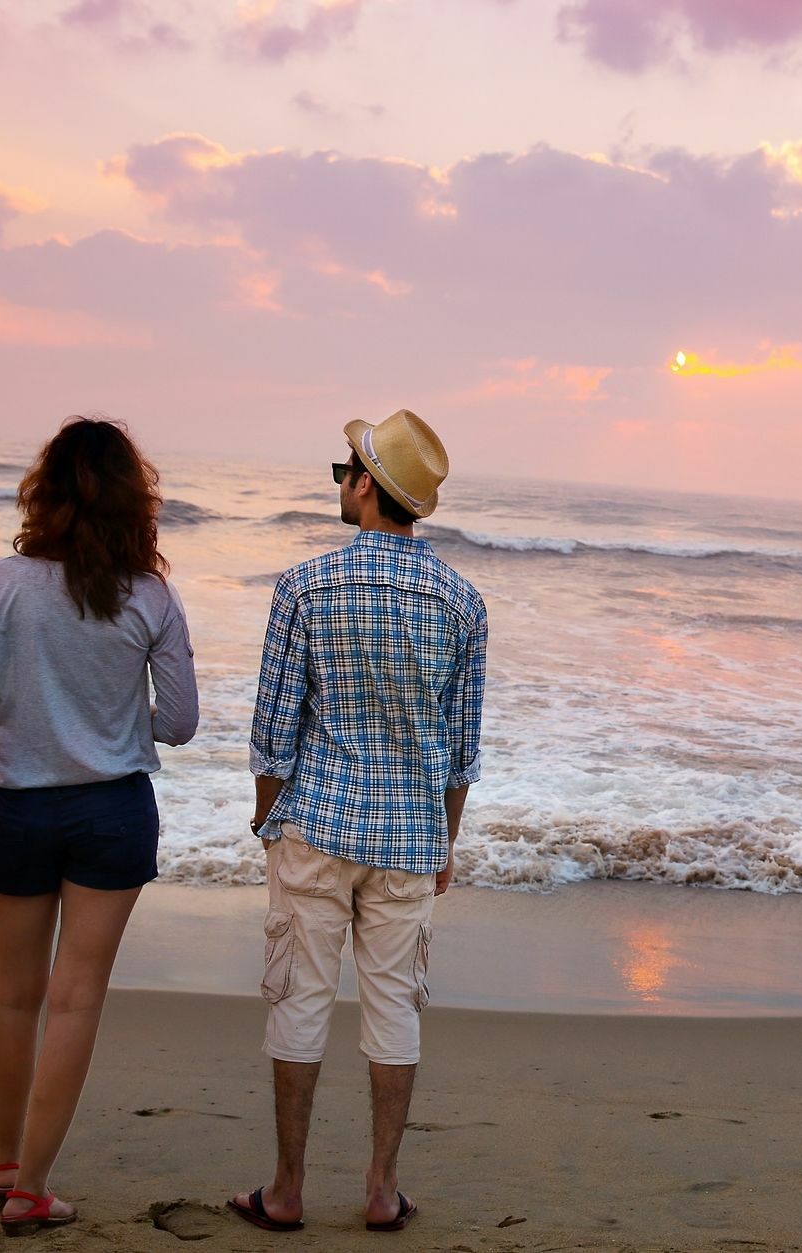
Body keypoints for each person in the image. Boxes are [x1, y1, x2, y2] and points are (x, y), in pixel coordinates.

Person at [231, 409, 487, 1235]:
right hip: (411, 836)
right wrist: (443, 841)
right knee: (394, 1011)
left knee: (299, 1002)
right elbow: (460, 752)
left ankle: (287, 1189)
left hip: (317, 824)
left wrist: (270, 820)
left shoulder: (304, 585)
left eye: (343, 470)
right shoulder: (463, 604)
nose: (339, 482)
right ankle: (381, 1190)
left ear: (366, 486)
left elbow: (273, 731)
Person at [0, 417, 198, 1235]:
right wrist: (114, 714)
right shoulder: (152, 595)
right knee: (76, 998)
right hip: (111, 809)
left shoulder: (2, 582)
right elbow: (182, 723)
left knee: (13, 993)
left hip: (18, 805)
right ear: (136, 500)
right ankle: (34, 1189)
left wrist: (38, 704)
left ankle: (5, 1161)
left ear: (43, 492)